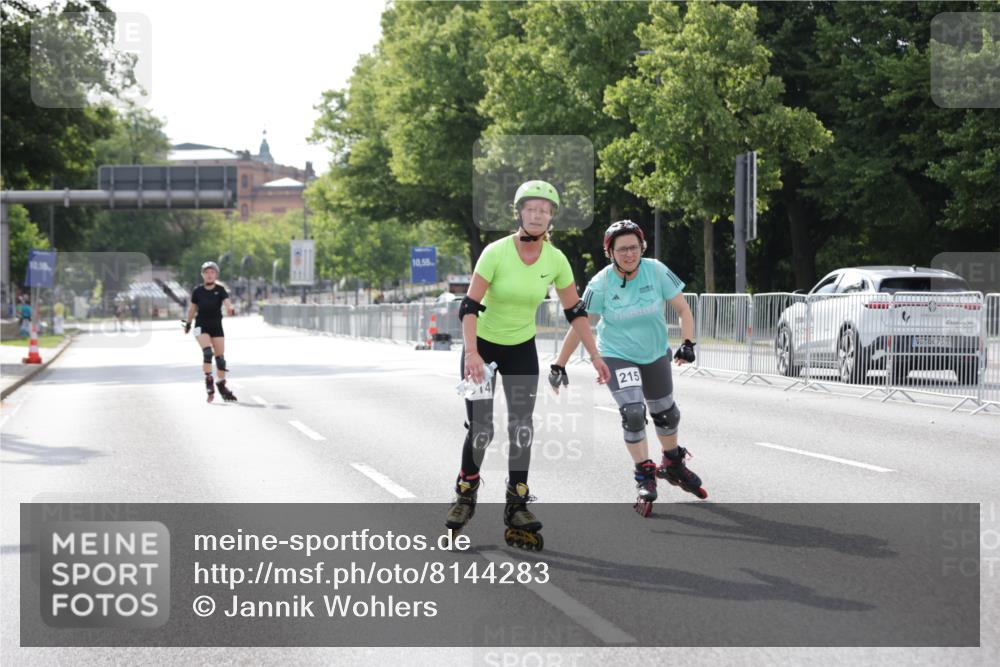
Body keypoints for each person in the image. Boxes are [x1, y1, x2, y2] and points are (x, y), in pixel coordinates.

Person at [446, 179, 611, 550]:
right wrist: (472, 354)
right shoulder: (496, 252)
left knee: (522, 427)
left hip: (520, 347)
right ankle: (465, 494)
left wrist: (596, 356)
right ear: (519, 213)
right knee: (482, 428)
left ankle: (517, 504)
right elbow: (469, 307)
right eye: (530, 209)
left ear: (552, 217)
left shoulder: (555, 259)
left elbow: (575, 311)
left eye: (544, 210)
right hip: (482, 348)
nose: (537, 215)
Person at [550, 220, 706, 517]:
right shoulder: (601, 284)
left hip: (654, 352)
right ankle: (644, 474)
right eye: (622, 249)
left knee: (666, 413)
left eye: (634, 247)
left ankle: (672, 463)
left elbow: (684, 309)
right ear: (610, 252)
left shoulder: (656, 270)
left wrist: (688, 343)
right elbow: (580, 325)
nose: (629, 254)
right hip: (617, 354)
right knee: (634, 412)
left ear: (642, 247)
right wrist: (560, 363)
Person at [183, 261, 237, 402]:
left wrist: (230, 309)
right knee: (207, 352)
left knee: (221, 359)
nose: (209, 275)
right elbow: (192, 309)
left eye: (212, 272)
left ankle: (221, 384)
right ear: (202, 275)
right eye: (206, 272)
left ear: (216, 274)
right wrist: (188, 324)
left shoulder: (220, 289)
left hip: (216, 326)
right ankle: (208, 379)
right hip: (200, 326)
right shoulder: (197, 291)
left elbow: (227, 303)